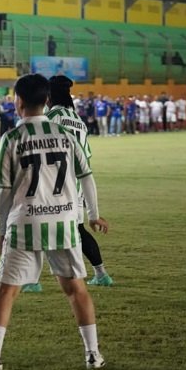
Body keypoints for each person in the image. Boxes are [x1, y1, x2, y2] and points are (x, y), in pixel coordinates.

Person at [0, 74, 109, 370]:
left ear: (18, 101)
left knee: (6, 292)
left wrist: (1, 231)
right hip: (65, 221)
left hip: (26, 222)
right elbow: (87, 175)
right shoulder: (65, 133)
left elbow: (3, 192)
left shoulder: (12, 138)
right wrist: (93, 214)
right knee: (76, 290)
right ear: (46, 101)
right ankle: (93, 354)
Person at [47, 75, 115, 287]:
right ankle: (101, 274)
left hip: (56, 183)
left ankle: (29, 280)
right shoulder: (79, 121)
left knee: (38, 224)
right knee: (77, 228)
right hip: (77, 182)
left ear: (49, 96)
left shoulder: (52, 117)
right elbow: (85, 156)